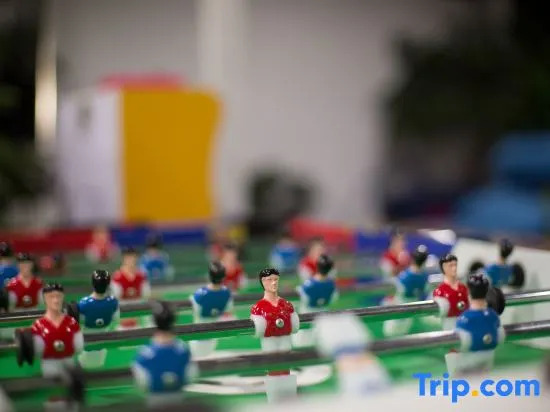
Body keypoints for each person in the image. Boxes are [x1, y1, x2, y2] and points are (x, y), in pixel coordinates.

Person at [132, 301, 196, 407]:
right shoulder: (183, 351)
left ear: (154, 321)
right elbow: (190, 377)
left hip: (154, 402)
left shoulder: (144, 354)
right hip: (178, 401)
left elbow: (142, 383)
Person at [250, 268, 300, 402]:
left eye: (276, 279)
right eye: (269, 280)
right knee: (273, 370)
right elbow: (259, 328)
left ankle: (289, 400)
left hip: (285, 344)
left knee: (285, 370)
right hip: (270, 345)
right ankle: (275, 401)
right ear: (263, 282)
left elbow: (294, 325)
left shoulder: (287, 305)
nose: (274, 283)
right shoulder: (259, 308)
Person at [446, 273, 505, 376]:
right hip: (486, 365)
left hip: (466, 368)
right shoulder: (493, 317)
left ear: (469, 293)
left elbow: (456, 346)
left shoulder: (464, 319)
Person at [30, 283, 84, 378]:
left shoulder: (72, 323)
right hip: (49, 365)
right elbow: (36, 351)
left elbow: (79, 347)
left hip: (69, 363)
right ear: (45, 299)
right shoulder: (38, 325)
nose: (55, 300)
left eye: (58, 296)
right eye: (51, 297)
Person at [383, 245, 430, 337]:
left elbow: (394, 292)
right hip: (411, 309)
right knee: (402, 334)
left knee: (391, 333)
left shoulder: (405, 276)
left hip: (398, 306)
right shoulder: (424, 277)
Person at [76, 270, 119, 367]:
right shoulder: (112, 302)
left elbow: (80, 322)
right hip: (95, 339)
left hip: (93, 338)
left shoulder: (83, 303)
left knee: (93, 365)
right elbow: (115, 319)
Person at [189, 262, 233, 357]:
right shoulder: (227, 293)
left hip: (198, 335)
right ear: (223, 277)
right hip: (213, 334)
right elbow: (229, 310)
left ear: (209, 276)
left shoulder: (199, 294)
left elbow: (194, 311)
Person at [433, 254, 470, 330]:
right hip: (449, 324)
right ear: (444, 267)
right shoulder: (440, 291)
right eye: (451, 265)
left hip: (465, 323)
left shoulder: (463, 288)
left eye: (455, 265)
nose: (454, 268)